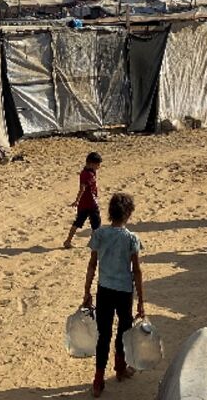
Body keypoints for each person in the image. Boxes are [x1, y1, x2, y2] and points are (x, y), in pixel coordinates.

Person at [82, 192, 145, 397]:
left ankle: (98, 380)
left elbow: (92, 265)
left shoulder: (99, 234)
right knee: (123, 331)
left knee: (104, 334)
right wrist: (141, 301)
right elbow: (136, 271)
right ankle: (120, 367)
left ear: (110, 212)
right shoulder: (131, 238)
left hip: (104, 290)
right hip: (124, 292)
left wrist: (86, 292)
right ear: (128, 214)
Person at [64, 152, 102, 249]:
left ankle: (68, 241)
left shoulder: (90, 172)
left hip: (84, 203)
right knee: (96, 224)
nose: (98, 166)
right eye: (98, 164)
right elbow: (82, 188)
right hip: (90, 203)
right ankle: (94, 243)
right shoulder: (87, 174)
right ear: (91, 163)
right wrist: (77, 200)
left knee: (78, 223)